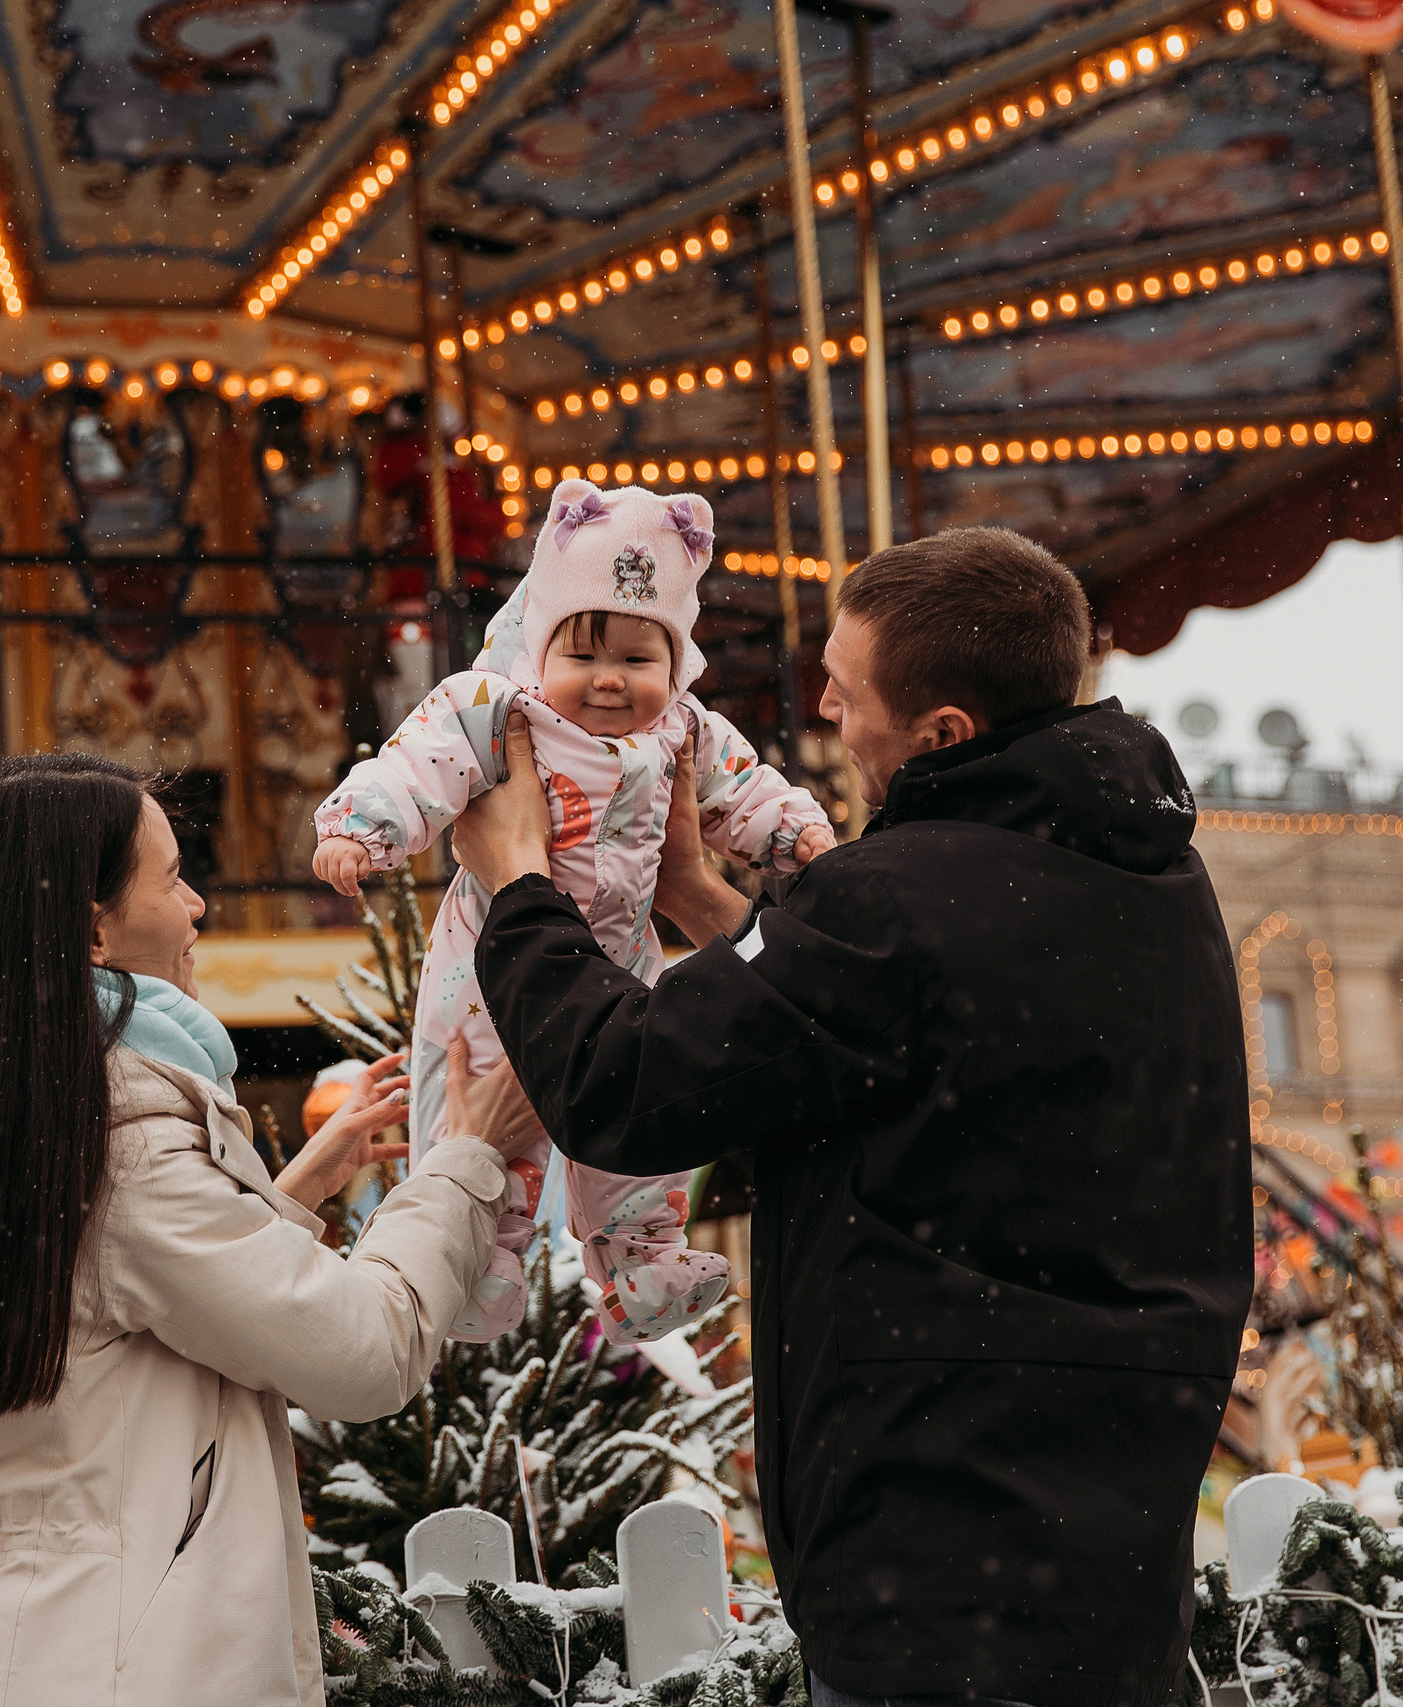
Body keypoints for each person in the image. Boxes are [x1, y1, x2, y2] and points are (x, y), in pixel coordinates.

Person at [451, 528, 1251, 1707]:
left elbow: (625, 1085)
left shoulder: (894, 896)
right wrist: (701, 900)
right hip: (1103, 1533)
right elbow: (899, 1034)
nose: (820, 706)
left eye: (846, 687)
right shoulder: (1149, 883)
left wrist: (520, 885)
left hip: (934, 1552)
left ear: (942, 736)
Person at [0, 753, 541, 1707]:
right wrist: (467, 1160)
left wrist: (281, 1198)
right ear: (90, 928)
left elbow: (101, 1317)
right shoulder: (113, 1138)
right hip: (126, 1664)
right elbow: (365, 1349)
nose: (196, 907)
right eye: (173, 876)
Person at [308, 480, 834, 1345]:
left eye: (639, 659)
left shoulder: (686, 732)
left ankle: (643, 1257)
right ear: (538, 644)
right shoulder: (493, 708)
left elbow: (744, 790)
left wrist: (797, 836)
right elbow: (416, 764)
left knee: (645, 1097)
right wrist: (361, 831)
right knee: (484, 1097)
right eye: (584, 656)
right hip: (491, 953)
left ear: (677, 664)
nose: (610, 682)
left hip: (624, 954)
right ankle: (484, 1259)